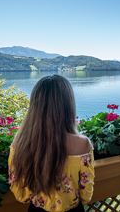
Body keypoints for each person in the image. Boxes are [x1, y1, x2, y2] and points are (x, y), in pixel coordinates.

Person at [8, 75, 94, 212]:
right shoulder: (82, 144)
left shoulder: (20, 143)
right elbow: (86, 194)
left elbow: (20, 193)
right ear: (68, 104)